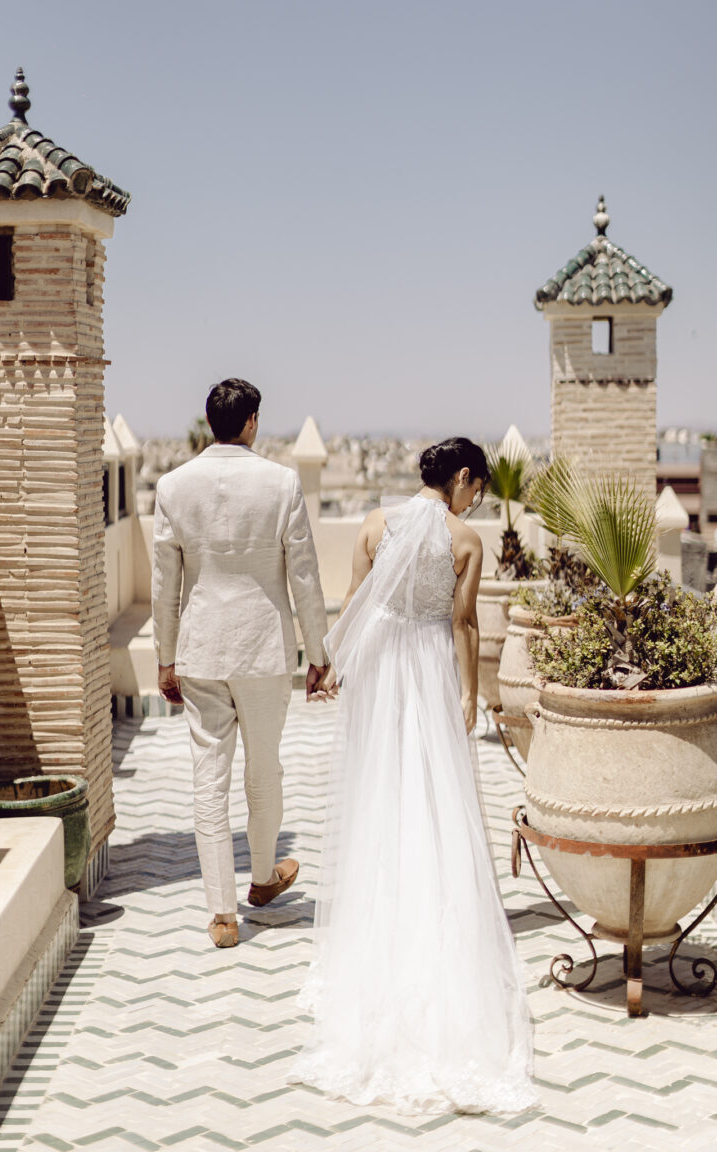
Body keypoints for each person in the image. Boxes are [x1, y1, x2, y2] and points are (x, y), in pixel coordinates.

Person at [290, 437, 537, 1114]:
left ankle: (383, 913)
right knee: (434, 794)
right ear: (462, 479)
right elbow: (462, 622)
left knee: (383, 788)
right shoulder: (465, 540)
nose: (477, 497)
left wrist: (334, 665)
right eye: (477, 486)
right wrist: (465, 693)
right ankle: (433, 916)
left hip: (381, 662)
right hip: (428, 665)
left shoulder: (375, 523)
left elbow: (353, 600)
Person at [152, 379, 328, 949]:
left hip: (201, 650)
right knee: (264, 771)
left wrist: (165, 657)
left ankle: (222, 915)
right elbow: (303, 574)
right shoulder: (280, 483)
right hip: (263, 650)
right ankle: (261, 879)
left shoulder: (174, 487)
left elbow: (164, 584)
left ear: (210, 423)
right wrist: (318, 653)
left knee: (210, 780)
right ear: (251, 421)